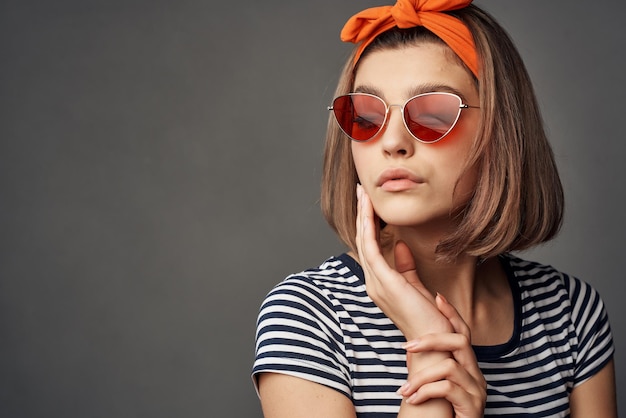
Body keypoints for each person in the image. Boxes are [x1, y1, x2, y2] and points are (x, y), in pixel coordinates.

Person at [251, 0, 617, 416]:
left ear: (501, 130)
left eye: (431, 113)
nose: (392, 142)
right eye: (366, 116)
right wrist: (429, 352)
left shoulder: (569, 312)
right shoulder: (308, 317)